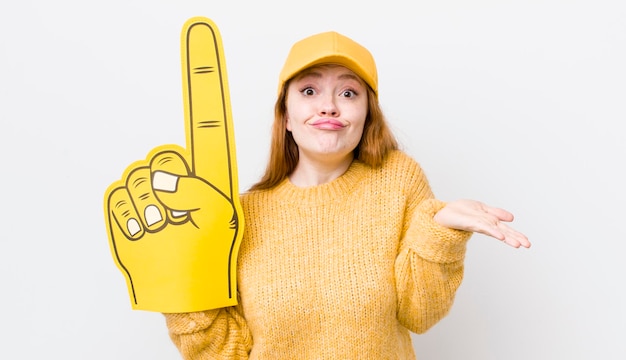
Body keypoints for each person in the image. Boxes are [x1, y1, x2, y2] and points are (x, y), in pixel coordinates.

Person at [163, 30, 530, 359]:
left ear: (367, 115)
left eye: (348, 92)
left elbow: (420, 315)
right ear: (286, 117)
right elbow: (228, 354)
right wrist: (174, 290)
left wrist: (439, 234)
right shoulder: (241, 216)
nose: (329, 106)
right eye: (309, 91)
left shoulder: (399, 181)